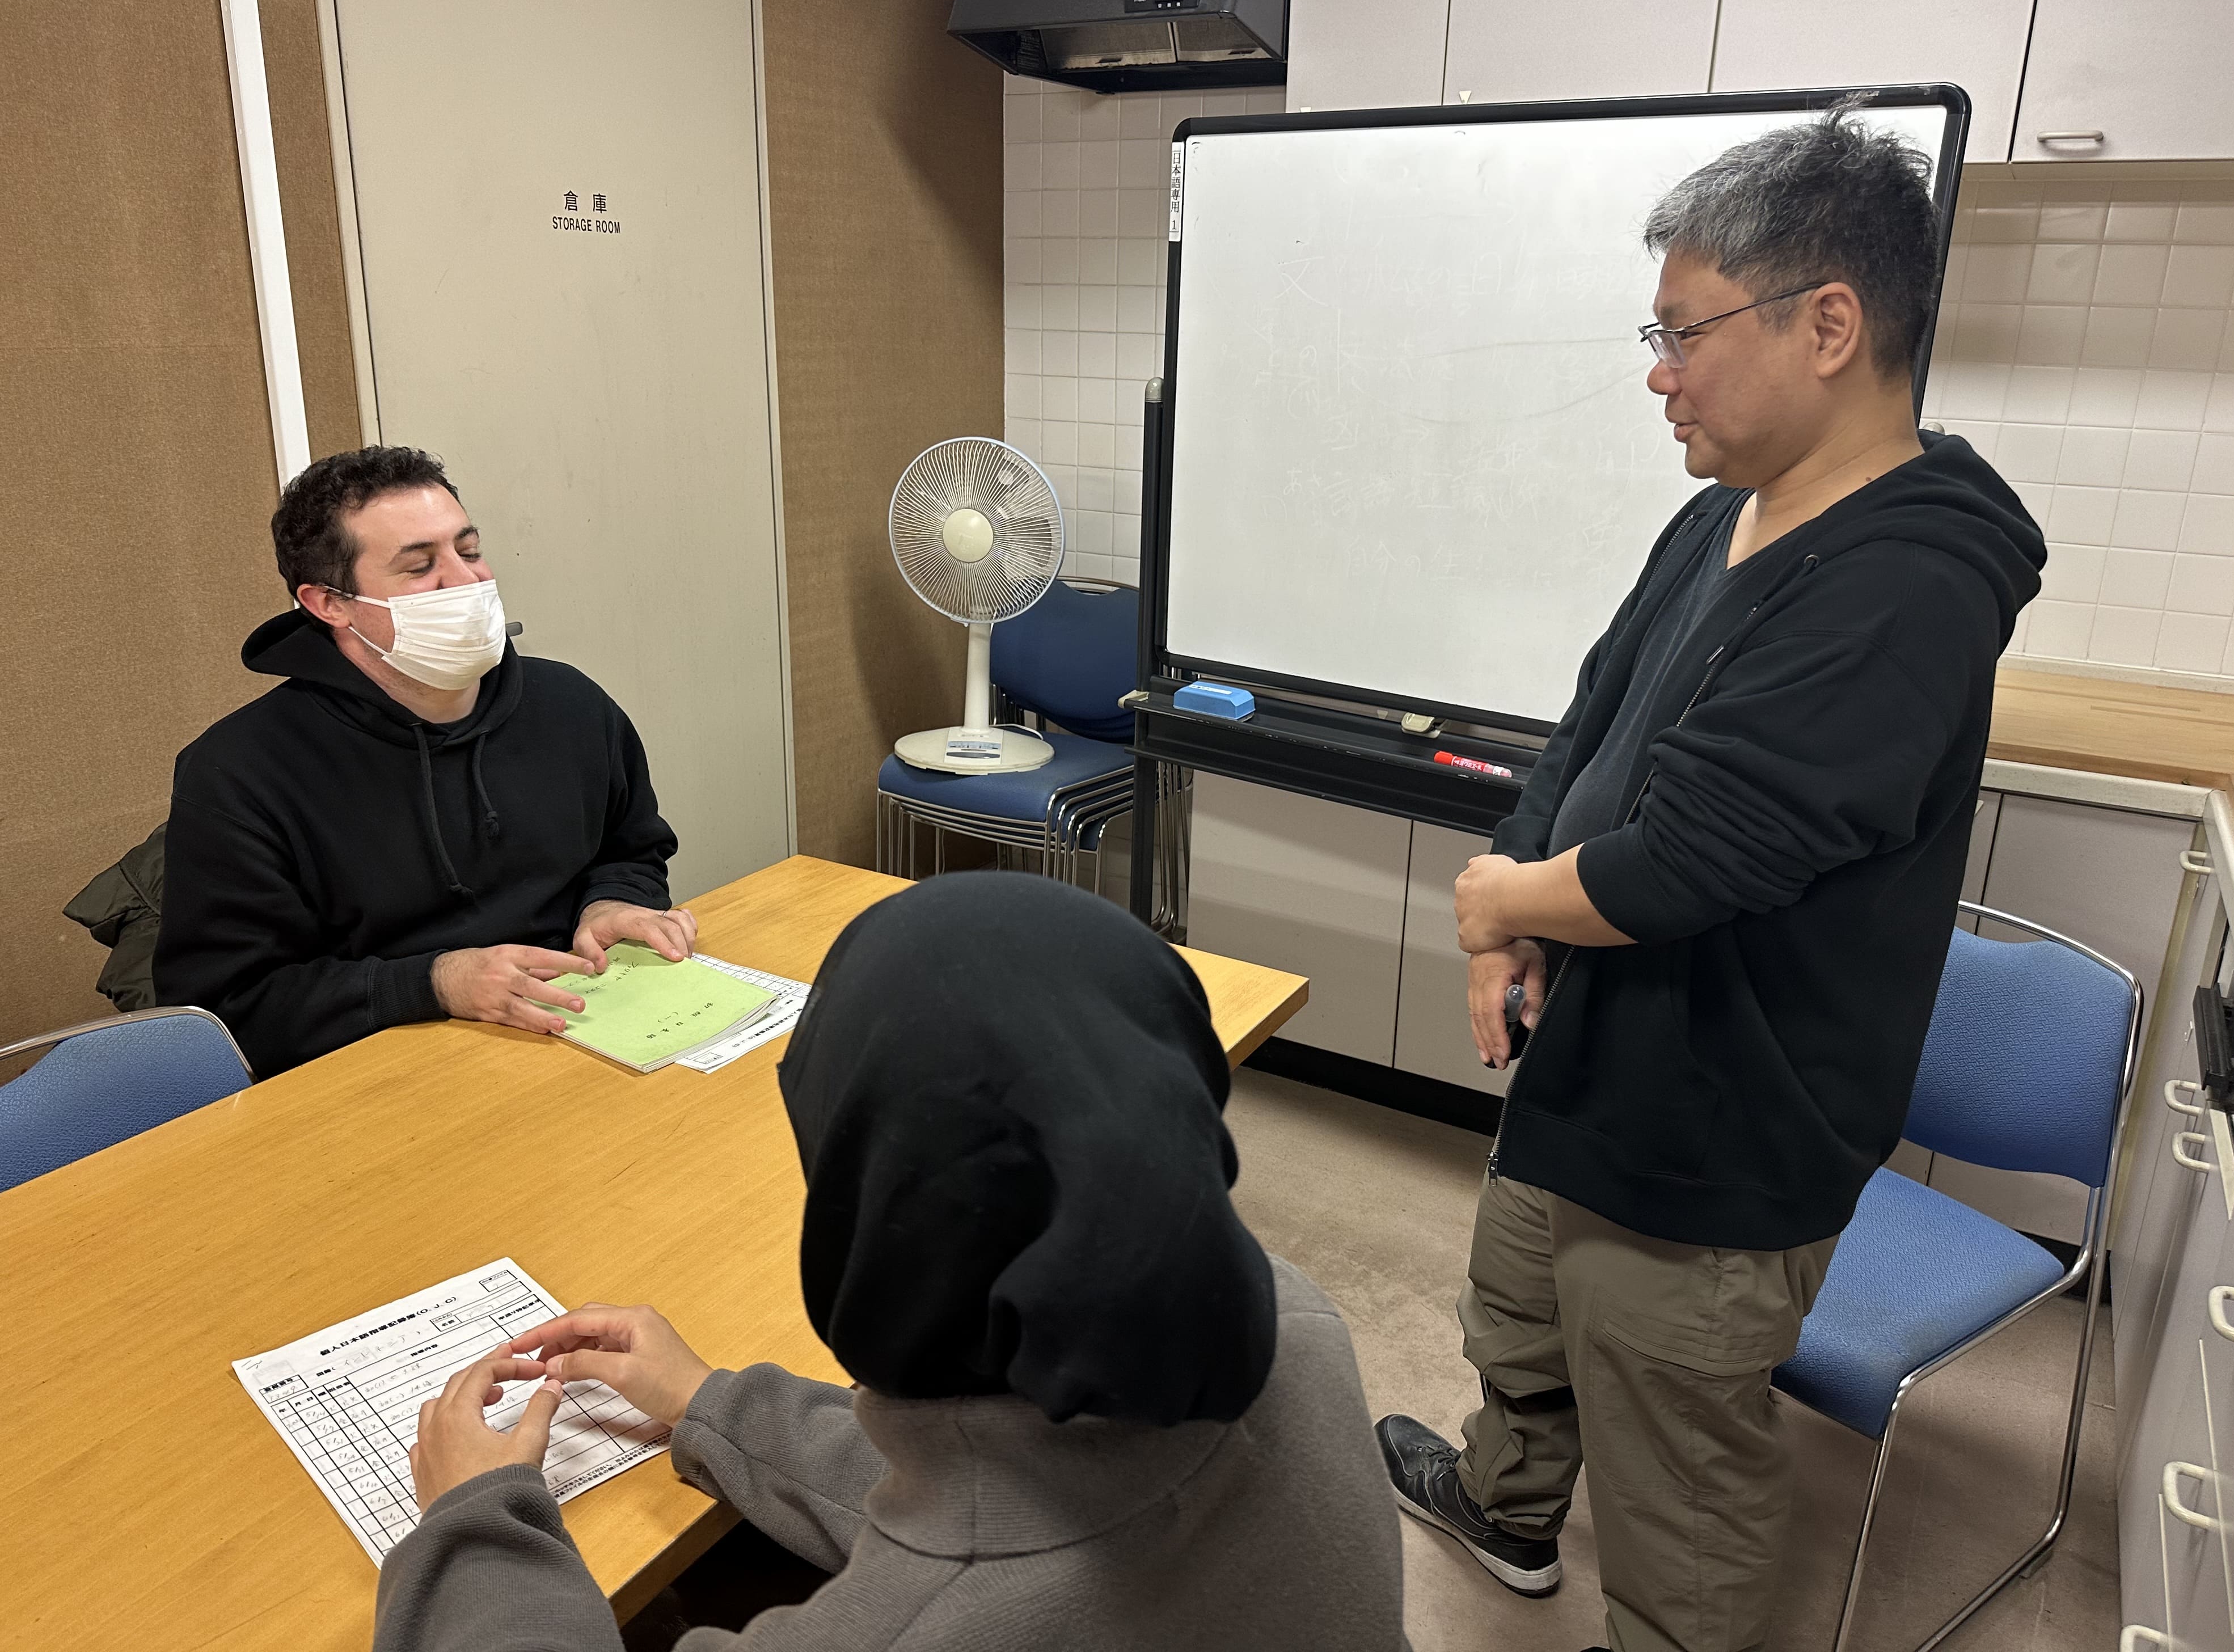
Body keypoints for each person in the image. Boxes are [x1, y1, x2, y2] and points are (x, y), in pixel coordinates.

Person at [1378, 107, 2044, 1652]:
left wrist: (1499, 908)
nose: (1659, 373)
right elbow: (1590, 725)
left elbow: (1696, 857)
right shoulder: (1720, 513)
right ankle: (1506, 1507)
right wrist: (1515, 883)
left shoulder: (1908, 583)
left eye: (1685, 333)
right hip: (1599, 1053)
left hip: (1725, 1117)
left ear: (1830, 326)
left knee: (1681, 1452)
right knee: (1522, 1314)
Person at [373, 872, 1409, 1651]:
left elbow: (996, 1535)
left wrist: (476, 1518)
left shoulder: (914, 1626)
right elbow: (1023, 1477)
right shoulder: (1295, 1323)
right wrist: (711, 1403)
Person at [154, 446, 692, 1078]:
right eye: (420, 566)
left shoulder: (571, 705)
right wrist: (433, 984)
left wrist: (612, 902)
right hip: (385, 1078)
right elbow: (228, 1009)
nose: (466, 582)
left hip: (589, 1031)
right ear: (329, 603)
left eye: (469, 551)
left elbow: (631, 848)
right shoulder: (238, 773)